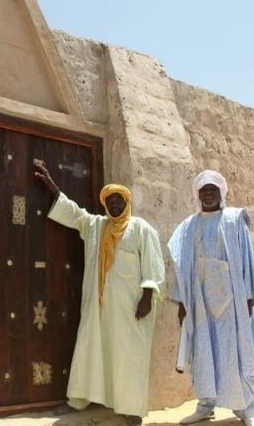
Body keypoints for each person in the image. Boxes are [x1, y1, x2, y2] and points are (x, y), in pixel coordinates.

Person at [34, 162, 165, 426]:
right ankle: (79, 400)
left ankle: (132, 409)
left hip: (130, 308)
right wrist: (51, 186)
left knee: (129, 356)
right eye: (110, 202)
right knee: (92, 349)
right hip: (99, 306)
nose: (114, 206)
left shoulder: (141, 228)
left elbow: (153, 265)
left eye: (118, 201)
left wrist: (148, 297)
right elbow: (74, 213)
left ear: (126, 203)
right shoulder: (96, 226)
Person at [167, 170, 254, 426]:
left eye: (213, 190)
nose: (208, 194)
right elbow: (181, 266)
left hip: (234, 300)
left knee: (238, 352)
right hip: (201, 301)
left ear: (221, 193)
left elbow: (248, 259)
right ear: (197, 194)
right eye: (204, 190)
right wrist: (182, 302)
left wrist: (250, 297)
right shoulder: (188, 226)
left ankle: (248, 410)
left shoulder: (234, 219)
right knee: (205, 352)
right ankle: (206, 405)